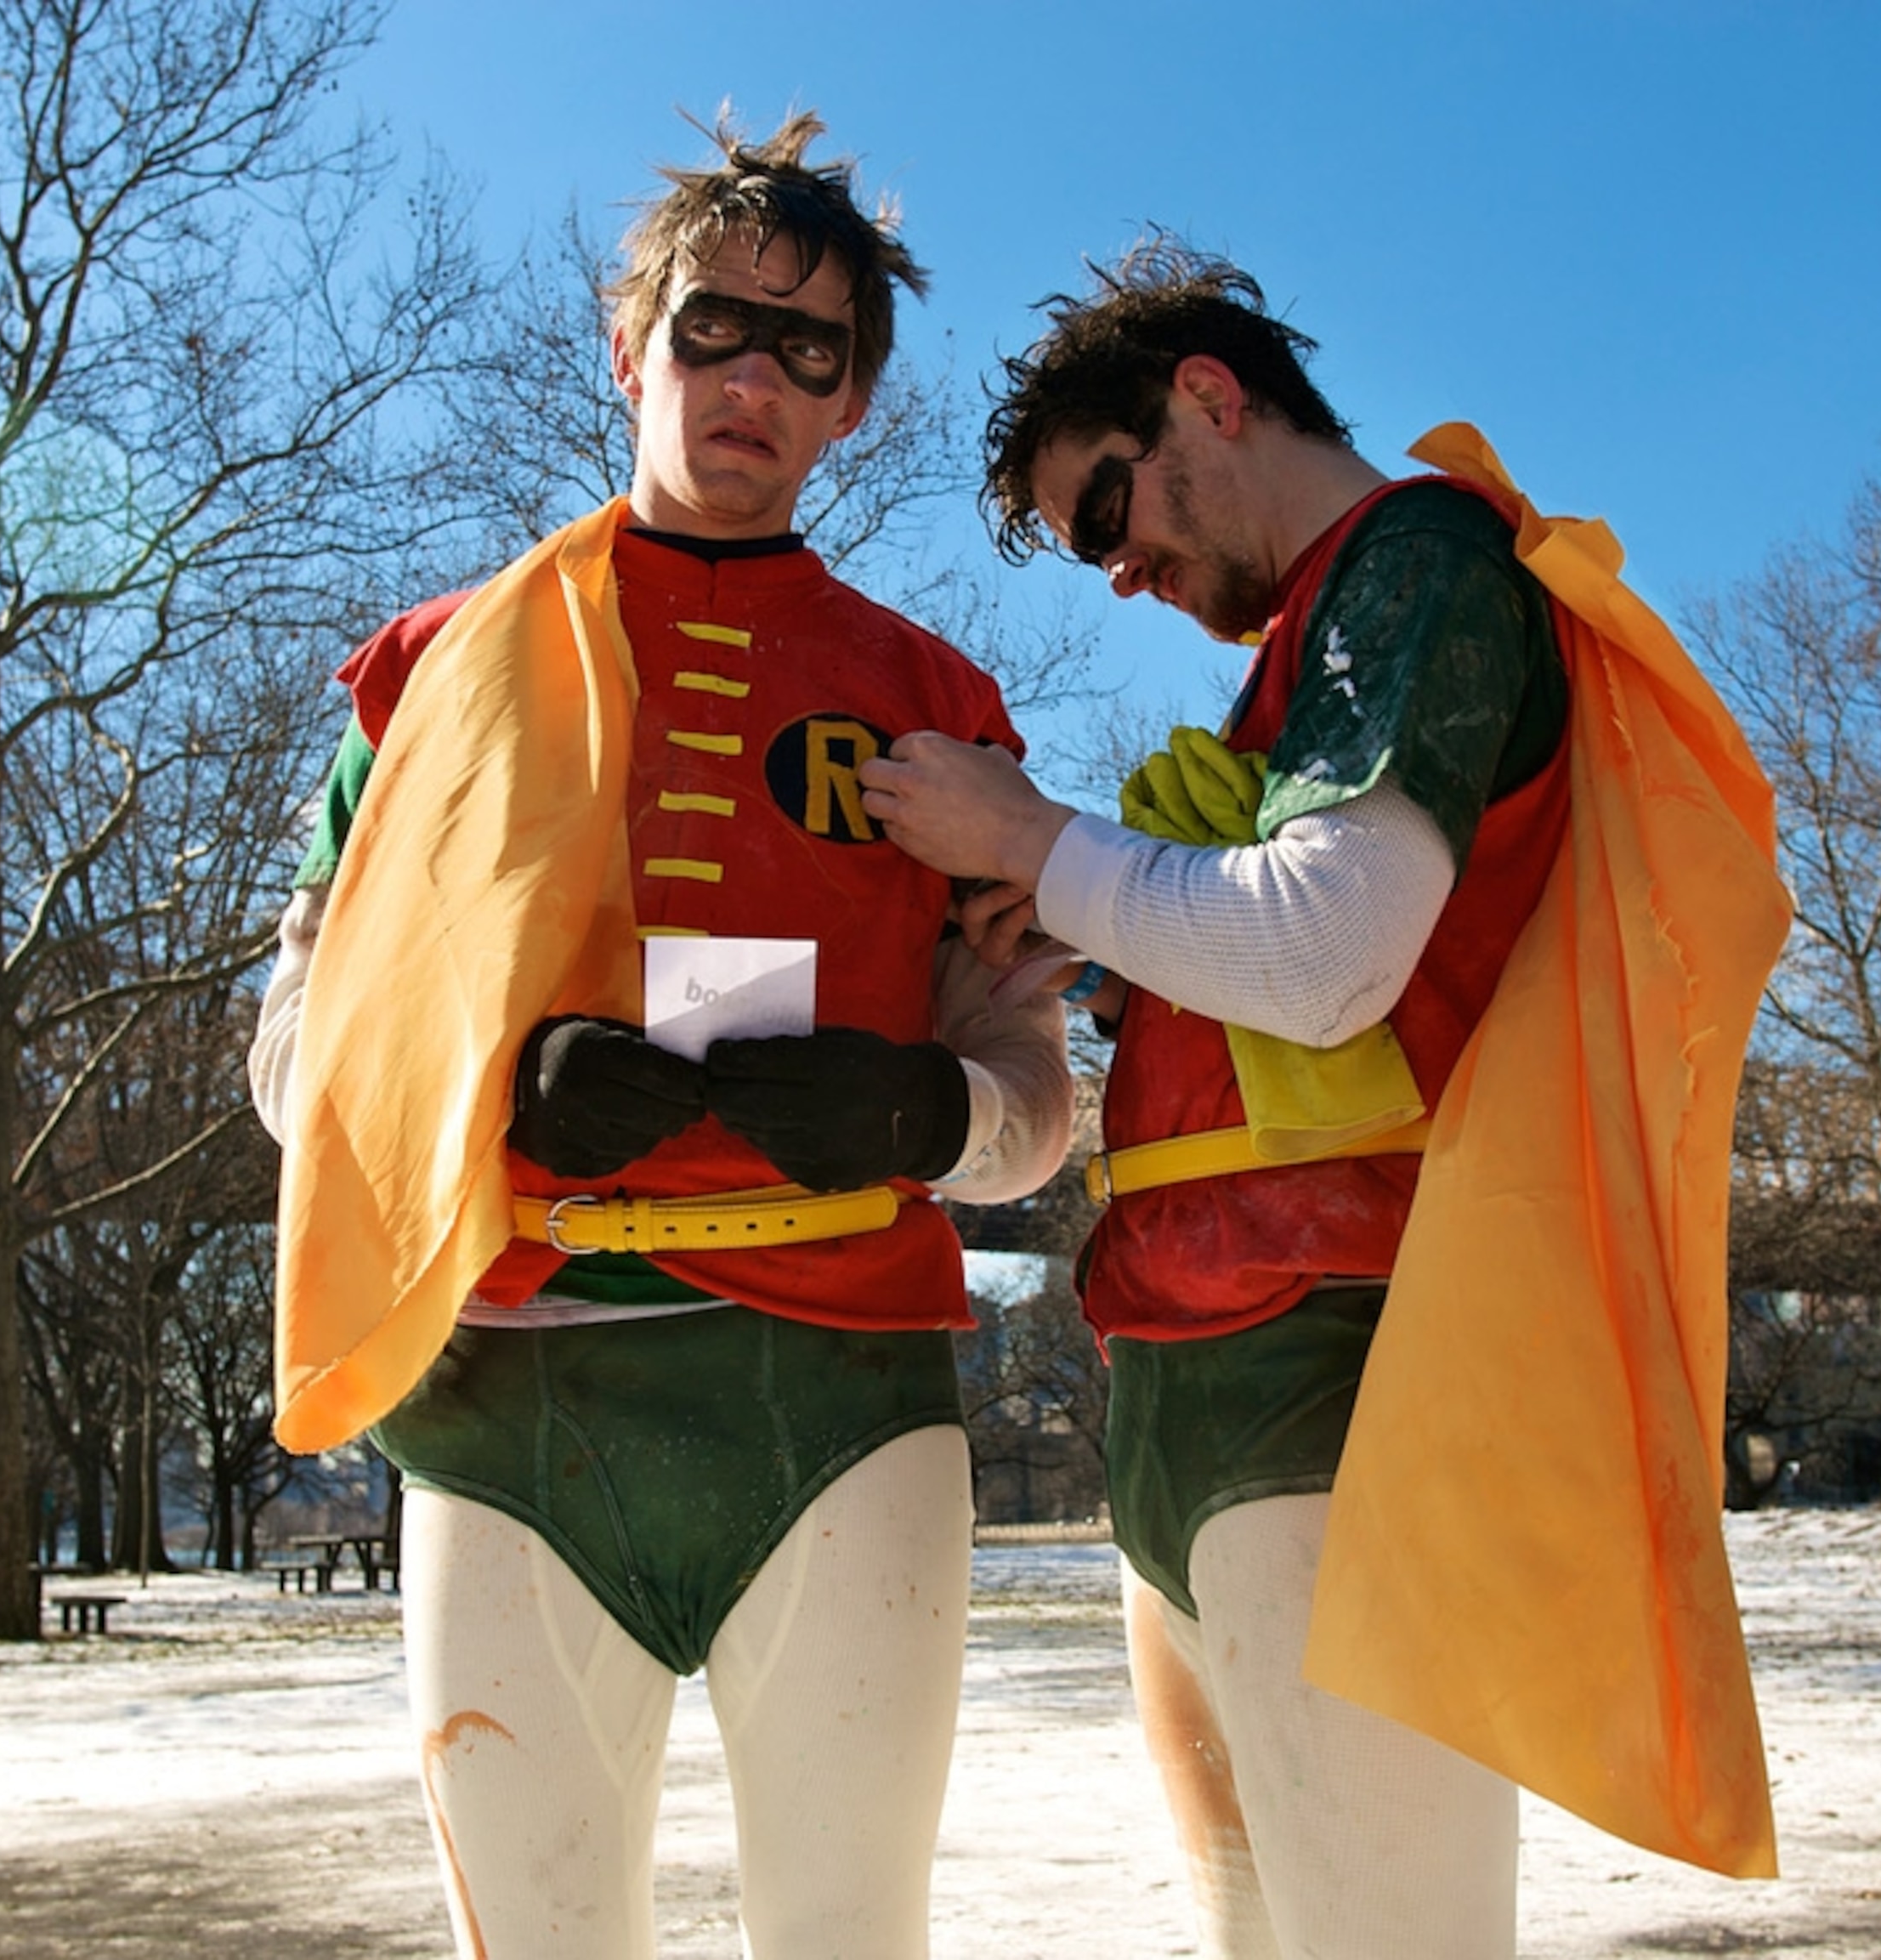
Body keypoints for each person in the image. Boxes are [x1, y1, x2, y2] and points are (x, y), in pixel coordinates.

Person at [858, 244, 1783, 1954]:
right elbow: (1300, 1002)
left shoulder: (1418, 560)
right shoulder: (1318, 642)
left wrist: (1035, 849)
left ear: (1211, 393)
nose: (1119, 569)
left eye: (1109, 505)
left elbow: (1332, 955)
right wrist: (1083, 935)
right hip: (1207, 1379)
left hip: (1341, 1376)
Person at [251, 114, 1071, 1959]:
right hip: (510, 1405)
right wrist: (478, 1093)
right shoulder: (429, 674)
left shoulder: (941, 707)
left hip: (842, 1405)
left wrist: (927, 1107)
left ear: (855, 403)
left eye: (814, 351)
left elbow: (1038, 1107)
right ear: (632, 347)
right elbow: (292, 1056)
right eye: (717, 326)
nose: (756, 379)